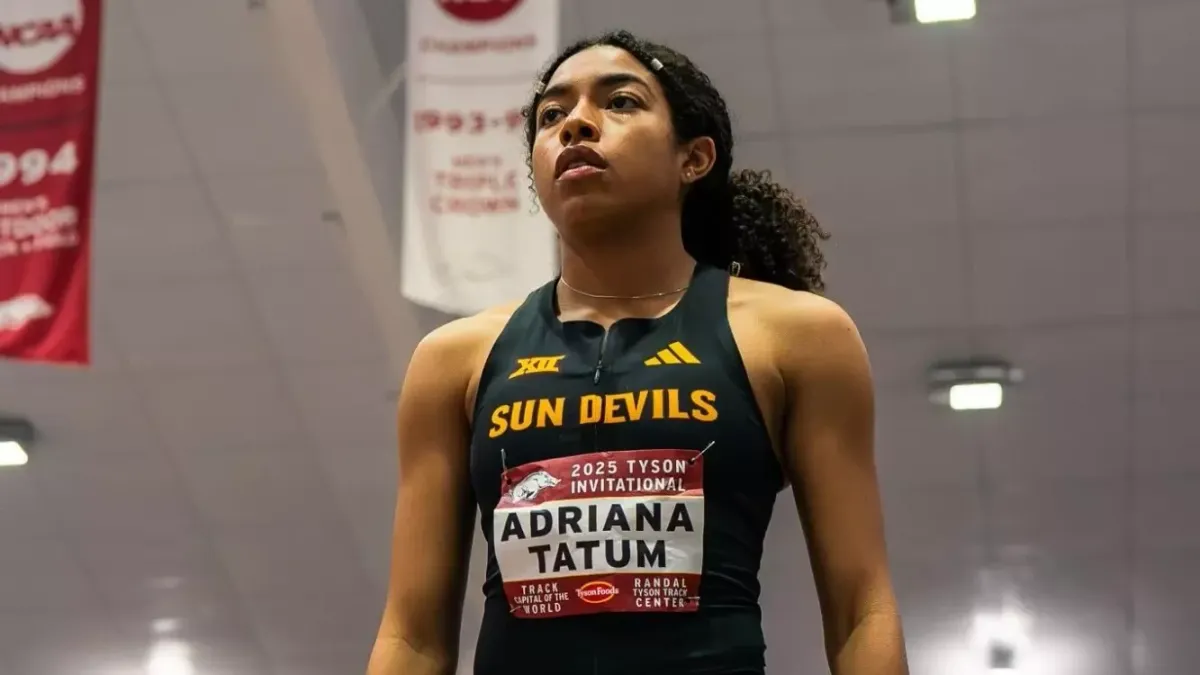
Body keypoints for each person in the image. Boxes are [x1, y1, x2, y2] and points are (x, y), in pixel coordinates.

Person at [367, 30, 907, 675]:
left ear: (694, 158)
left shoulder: (797, 336)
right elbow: (412, 637)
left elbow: (861, 610)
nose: (575, 125)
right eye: (551, 115)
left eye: (620, 102)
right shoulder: (454, 358)